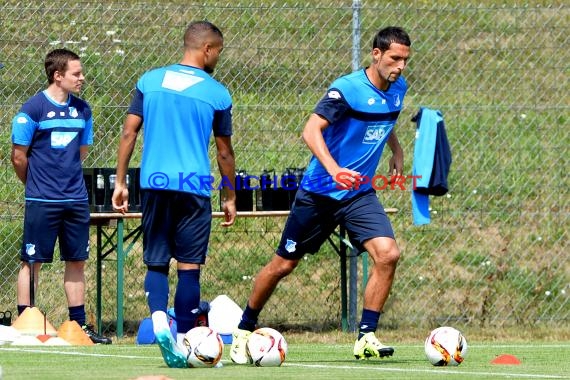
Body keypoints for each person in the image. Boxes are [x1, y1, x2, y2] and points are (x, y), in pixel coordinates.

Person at [230, 26, 411, 363]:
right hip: (319, 193)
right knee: (282, 266)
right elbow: (310, 130)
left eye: (405, 60)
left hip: (358, 194)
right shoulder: (346, 89)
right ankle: (243, 329)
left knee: (387, 254)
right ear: (376, 55)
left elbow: (385, 118)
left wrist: (396, 149)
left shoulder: (398, 87)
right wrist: (333, 170)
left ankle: (366, 336)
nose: (400, 66)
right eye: (394, 58)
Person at [112, 21, 236, 368]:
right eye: (218, 52)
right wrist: (229, 195)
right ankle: (184, 342)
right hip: (194, 187)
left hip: (153, 182)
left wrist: (121, 182)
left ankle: (157, 321)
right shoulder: (216, 92)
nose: (218, 59)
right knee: (188, 268)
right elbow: (224, 152)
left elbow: (128, 133)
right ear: (207, 49)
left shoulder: (149, 81)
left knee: (156, 260)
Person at [10, 48, 112, 344]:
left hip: (76, 200)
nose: (82, 78)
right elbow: (19, 157)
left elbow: (80, 154)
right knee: (32, 261)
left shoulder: (83, 110)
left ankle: (79, 326)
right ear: (58, 75)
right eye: (76, 74)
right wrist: (36, 185)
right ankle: (25, 324)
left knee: (76, 260)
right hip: (42, 200)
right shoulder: (32, 110)